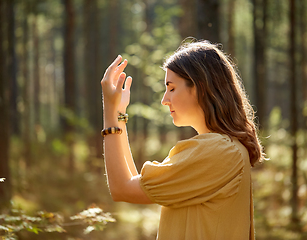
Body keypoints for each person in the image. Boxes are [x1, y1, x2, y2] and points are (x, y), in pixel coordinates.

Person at [100, 40, 265, 240]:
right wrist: (119, 115)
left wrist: (109, 110)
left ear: (199, 87)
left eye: (171, 88)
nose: (164, 99)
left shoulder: (218, 151)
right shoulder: (225, 147)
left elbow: (122, 189)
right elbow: (135, 185)